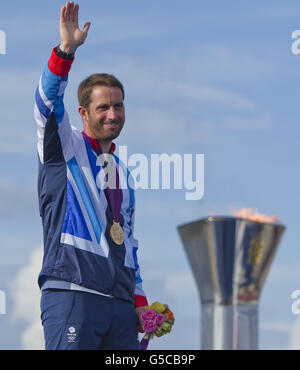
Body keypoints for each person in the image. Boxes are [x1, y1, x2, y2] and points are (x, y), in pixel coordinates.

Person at [34, 1, 148, 350]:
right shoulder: (63, 147)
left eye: (119, 105)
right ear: (83, 112)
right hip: (73, 293)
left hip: (120, 305)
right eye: (104, 107)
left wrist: (140, 302)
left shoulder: (123, 174)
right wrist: (65, 52)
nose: (113, 114)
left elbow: (127, 241)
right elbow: (47, 103)